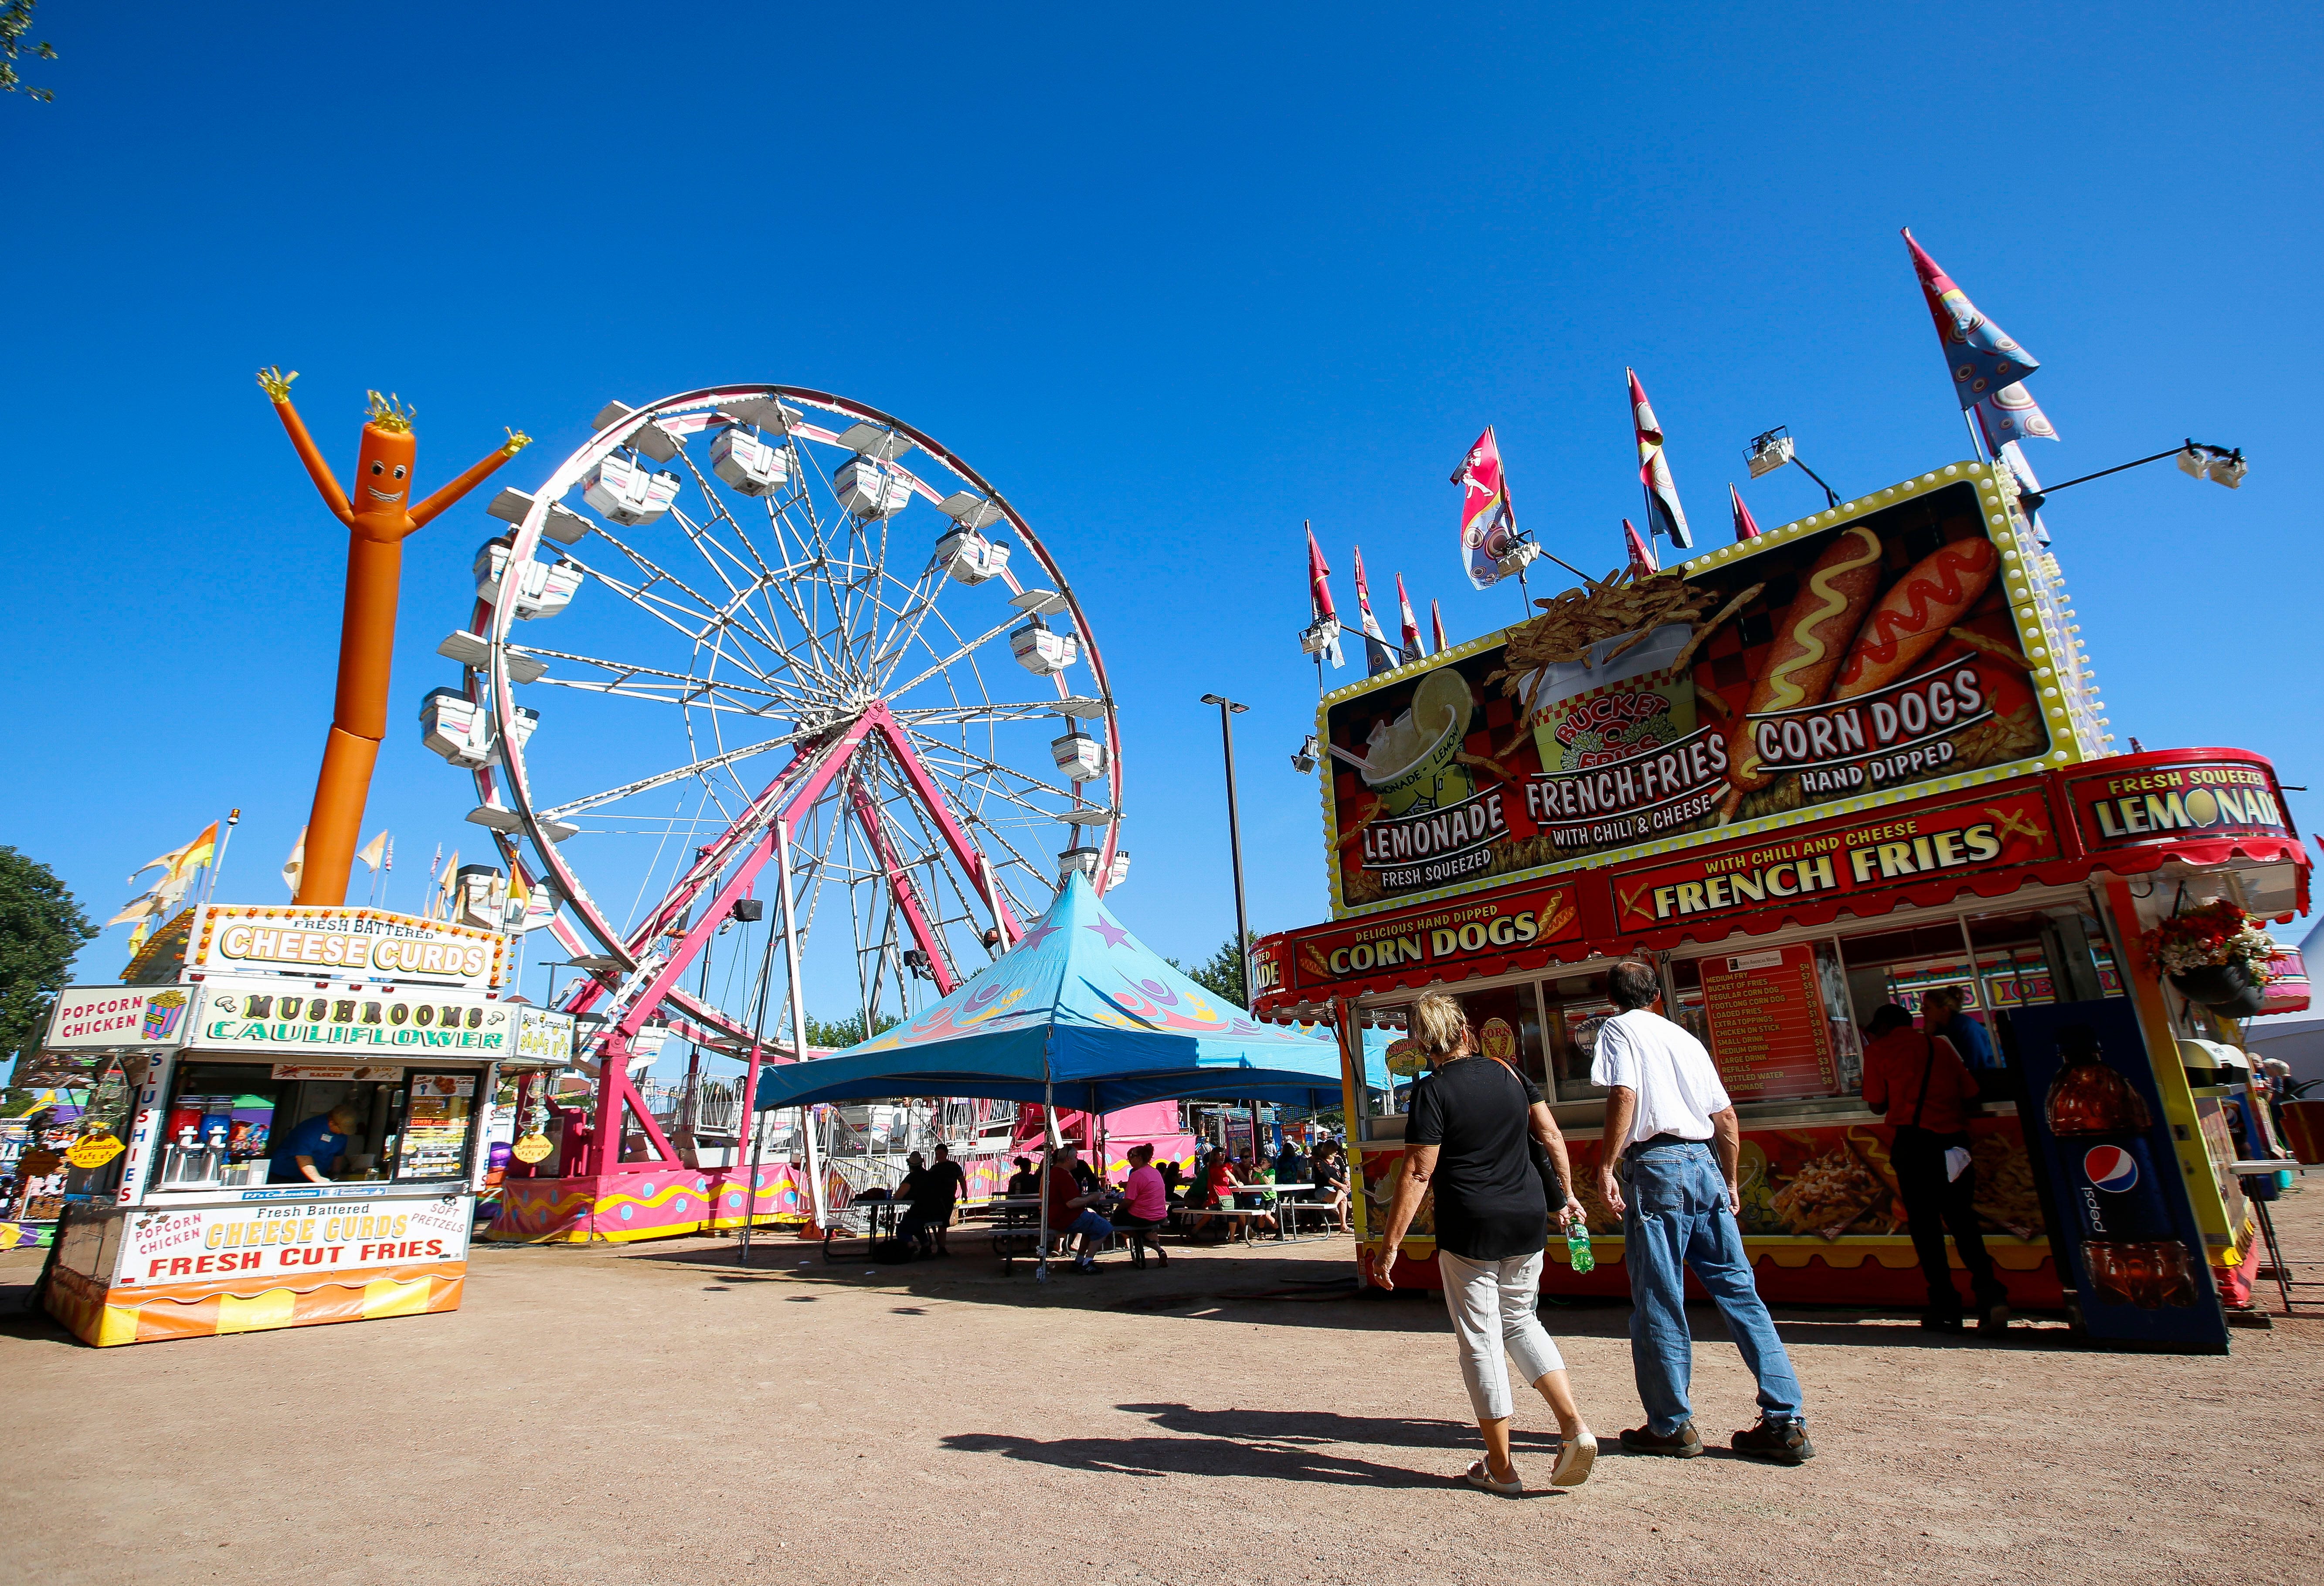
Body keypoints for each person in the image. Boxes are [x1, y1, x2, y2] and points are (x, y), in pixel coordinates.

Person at [1592, 959, 1812, 1465]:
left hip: (1657, 1165)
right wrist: (1729, 1179)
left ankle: (1670, 1423)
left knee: (1658, 1295)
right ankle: (1785, 1420)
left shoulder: (1618, 1029)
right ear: (1655, 996)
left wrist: (1607, 1162)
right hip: (1703, 1162)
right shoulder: (1685, 1038)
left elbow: (1625, 1092)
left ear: (1612, 999)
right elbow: (1726, 1116)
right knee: (1741, 1292)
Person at [1378, 994, 1595, 1494]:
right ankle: (1573, 1427)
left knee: (1480, 1338)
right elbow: (1551, 1135)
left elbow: (1417, 1170)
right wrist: (1565, 1195)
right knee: (1521, 1319)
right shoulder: (1509, 1073)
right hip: (1526, 1218)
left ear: (1422, 1044)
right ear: (1465, 1031)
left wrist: (1390, 1244)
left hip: (1470, 1225)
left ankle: (1502, 1468)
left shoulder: (1431, 1092)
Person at [1862, 1003, 2008, 1333]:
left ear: (1884, 1026)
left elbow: (1875, 1103)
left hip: (1915, 1147)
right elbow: (1970, 1092)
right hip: (1955, 1145)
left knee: (1926, 1230)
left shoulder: (1879, 1051)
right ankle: (1992, 1297)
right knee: (1964, 1222)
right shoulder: (1938, 1044)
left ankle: (1945, 1307)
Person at [1044, 1144, 1118, 1273]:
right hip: (1067, 1217)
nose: (1077, 1160)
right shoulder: (1063, 1176)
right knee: (1105, 1227)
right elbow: (1071, 1203)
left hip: (1060, 1216)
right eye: (1075, 1158)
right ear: (1068, 1160)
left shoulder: (1056, 1172)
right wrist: (1092, 1198)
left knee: (1091, 1228)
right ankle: (1087, 1262)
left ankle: (1079, 1260)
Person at [268, 1103, 364, 1185]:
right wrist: (318, 1179)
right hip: (284, 1176)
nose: (343, 1133)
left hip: (313, 1179)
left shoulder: (341, 1135)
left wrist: (336, 1177)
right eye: (342, 1130)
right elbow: (303, 1156)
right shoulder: (312, 1128)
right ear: (332, 1123)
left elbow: (338, 1156)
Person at [1115, 1142, 1170, 1266]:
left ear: (1139, 1158)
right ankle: (1159, 1250)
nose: (1129, 1159)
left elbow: (1128, 1201)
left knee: (1115, 1220)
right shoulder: (1155, 1172)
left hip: (1143, 1216)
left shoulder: (1136, 1175)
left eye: (1132, 1156)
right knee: (1143, 1229)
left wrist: (1118, 1209)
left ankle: (1142, 1236)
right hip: (1160, 1216)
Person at [909, 1141, 968, 1256]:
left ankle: (941, 1247)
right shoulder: (934, 1169)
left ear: (946, 1154)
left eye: (941, 1153)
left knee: (944, 1224)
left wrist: (965, 1193)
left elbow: (962, 1179)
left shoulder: (954, 1166)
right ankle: (940, 1247)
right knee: (940, 1223)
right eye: (937, 1154)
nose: (939, 1156)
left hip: (949, 1198)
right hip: (936, 1199)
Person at [1921, 986, 1997, 1074]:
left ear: (1944, 1010)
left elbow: (1975, 1065)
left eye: (1927, 1007)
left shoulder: (1966, 1027)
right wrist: (1929, 1035)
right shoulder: (1940, 1029)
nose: (1922, 1010)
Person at [1312, 1140, 1351, 1232]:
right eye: (1334, 1150)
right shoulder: (1319, 1162)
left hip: (1338, 1188)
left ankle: (1335, 1205)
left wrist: (1346, 1180)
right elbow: (1327, 1178)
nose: (1336, 1152)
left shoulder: (1338, 1159)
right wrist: (1341, 1185)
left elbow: (1344, 1171)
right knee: (1344, 1199)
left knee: (1343, 1194)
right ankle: (1344, 1226)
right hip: (1323, 1189)